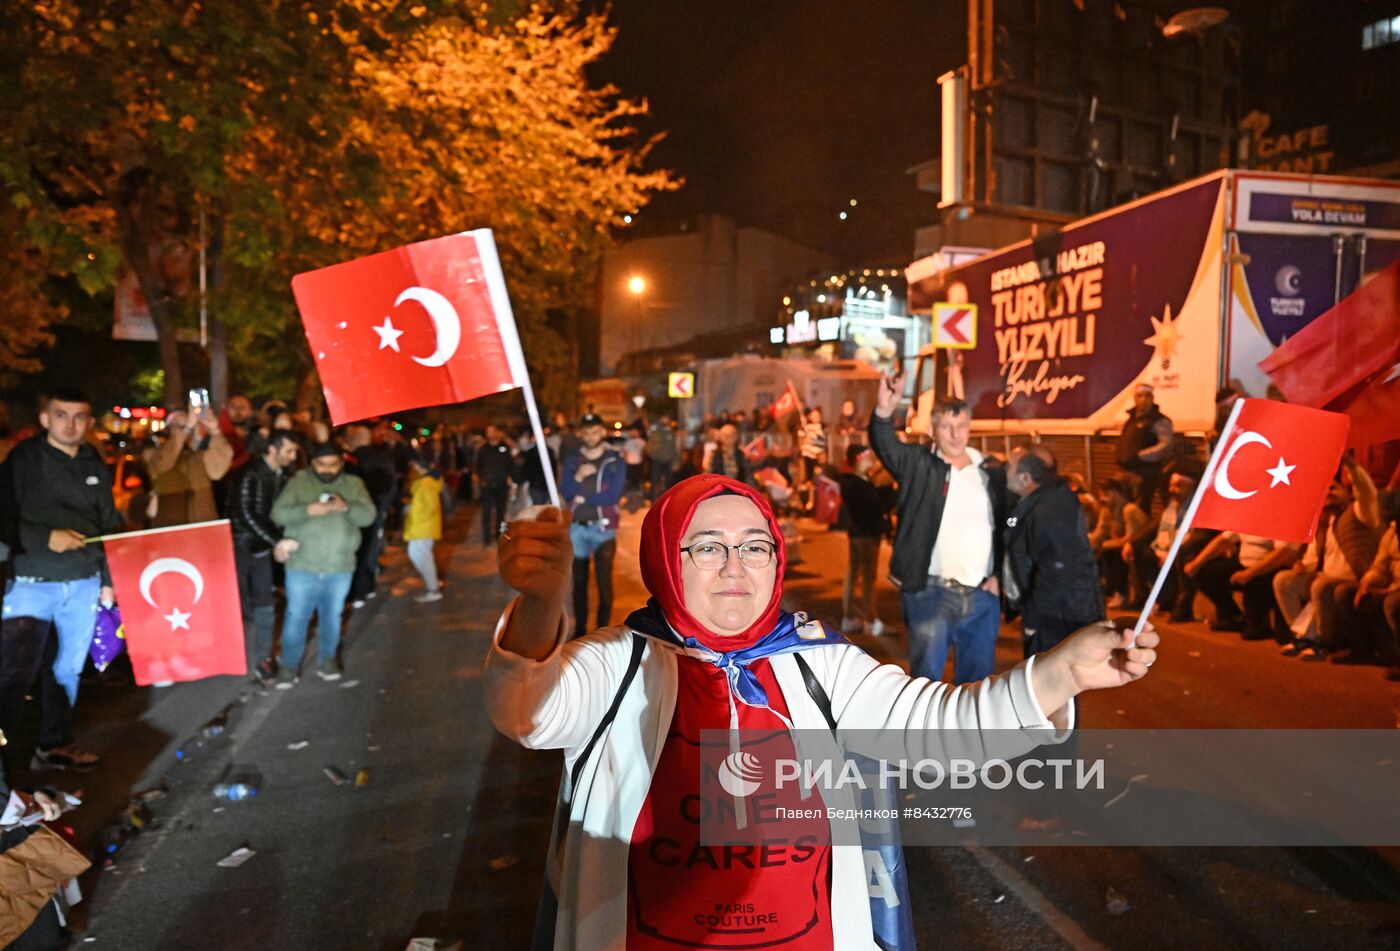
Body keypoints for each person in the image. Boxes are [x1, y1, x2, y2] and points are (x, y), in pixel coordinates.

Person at [486, 474, 1159, 948]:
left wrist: (1061, 672)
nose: (735, 567)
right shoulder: (618, 662)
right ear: (666, 556)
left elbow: (938, 728)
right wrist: (544, 604)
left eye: (755, 545)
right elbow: (527, 709)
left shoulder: (819, 661)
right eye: (707, 546)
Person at [0, 389, 122, 772]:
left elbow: (109, 524)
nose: (71, 424)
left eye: (79, 416)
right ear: (44, 419)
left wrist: (108, 577)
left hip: (83, 583)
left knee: (66, 670)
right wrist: (45, 538)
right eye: (61, 415)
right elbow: (3, 518)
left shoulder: (94, 463)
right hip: (31, 584)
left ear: (89, 422)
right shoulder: (22, 461)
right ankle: (6, 765)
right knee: (15, 673)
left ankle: (55, 744)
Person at [869, 374, 1007, 684]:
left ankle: (967, 735)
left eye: (961, 426)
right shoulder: (919, 465)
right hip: (931, 593)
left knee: (977, 687)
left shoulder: (991, 471)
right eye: (946, 427)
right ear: (933, 430)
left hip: (982, 596)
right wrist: (883, 411)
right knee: (926, 684)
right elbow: (886, 445)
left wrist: (1002, 575)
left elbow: (1007, 528)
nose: (956, 435)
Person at [270, 442, 375, 685]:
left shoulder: (353, 484)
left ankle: (328, 659)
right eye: (321, 464)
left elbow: (368, 516)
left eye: (333, 464)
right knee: (297, 617)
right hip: (302, 565)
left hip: (339, 566)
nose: (327, 470)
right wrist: (308, 510)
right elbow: (278, 514)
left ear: (342, 463)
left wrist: (346, 507)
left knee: (332, 616)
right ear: (312, 463)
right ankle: (288, 666)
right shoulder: (299, 481)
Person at [1273, 457, 1382, 659]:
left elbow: (1367, 493)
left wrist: (1351, 466)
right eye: (1325, 493)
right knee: (1284, 580)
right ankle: (1303, 636)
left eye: (1333, 489)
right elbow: (1313, 558)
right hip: (1323, 576)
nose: (1328, 495)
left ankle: (1323, 642)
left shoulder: (1360, 512)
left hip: (1352, 578)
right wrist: (1301, 565)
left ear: (1346, 492)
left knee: (1320, 586)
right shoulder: (1324, 522)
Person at [1003, 446, 1105, 657]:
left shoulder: (1049, 510)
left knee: (1048, 682)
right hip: (1057, 615)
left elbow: (1056, 571)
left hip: (1056, 619)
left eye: (1009, 467)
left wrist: (1034, 618)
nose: (1004, 472)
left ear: (1025, 478)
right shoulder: (1045, 500)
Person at [227, 430, 300, 683]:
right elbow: (245, 515)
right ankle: (236, 658)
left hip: (261, 549)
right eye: (289, 450)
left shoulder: (282, 476)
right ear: (272, 449)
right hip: (240, 547)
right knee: (240, 606)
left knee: (265, 606)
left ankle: (263, 659)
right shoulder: (249, 474)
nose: (293, 456)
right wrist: (277, 541)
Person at [561, 413, 625, 639]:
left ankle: (601, 634)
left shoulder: (615, 460)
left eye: (595, 431)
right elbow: (566, 491)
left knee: (604, 583)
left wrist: (582, 500)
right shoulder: (572, 461)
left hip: (603, 529)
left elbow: (613, 495)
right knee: (579, 584)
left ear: (603, 432)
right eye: (586, 432)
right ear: (581, 434)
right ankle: (580, 632)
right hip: (577, 529)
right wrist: (578, 476)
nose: (591, 436)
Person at [1185, 532, 1298, 640]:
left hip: (1267, 568)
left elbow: (1283, 553)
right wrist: (1196, 563)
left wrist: (1249, 573)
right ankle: (1234, 617)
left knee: (1257, 633)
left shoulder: (1279, 520)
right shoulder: (1247, 517)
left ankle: (1262, 623)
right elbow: (1223, 540)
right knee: (1203, 573)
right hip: (1244, 565)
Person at [837, 445, 894, 636]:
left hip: (858, 532)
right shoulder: (855, 483)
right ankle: (870, 620)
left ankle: (849, 617)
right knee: (868, 578)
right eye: (868, 458)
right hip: (866, 533)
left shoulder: (855, 481)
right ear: (859, 460)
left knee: (854, 574)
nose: (872, 462)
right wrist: (887, 489)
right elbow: (876, 505)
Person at [147, 405, 233, 528]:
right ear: (169, 429)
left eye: (191, 425)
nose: (188, 429)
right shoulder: (156, 454)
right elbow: (162, 464)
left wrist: (215, 431)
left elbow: (218, 471)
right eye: (180, 426)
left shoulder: (200, 454)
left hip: (203, 527)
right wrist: (186, 429)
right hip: (170, 529)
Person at [344, 423, 399, 608]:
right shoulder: (383, 456)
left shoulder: (353, 461)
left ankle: (357, 589)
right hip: (377, 509)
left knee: (358, 549)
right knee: (371, 548)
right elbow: (392, 484)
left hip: (357, 511)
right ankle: (366, 585)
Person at [1115, 383, 1174, 511]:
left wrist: (1142, 456)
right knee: (1121, 508)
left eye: (1147, 396)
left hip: (1144, 473)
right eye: (1139, 396)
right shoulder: (1131, 420)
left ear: (1152, 398)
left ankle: (1140, 531)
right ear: (1134, 398)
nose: (1143, 399)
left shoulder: (1159, 420)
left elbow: (1166, 445)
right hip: (1125, 472)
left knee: (1139, 509)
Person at [1091, 477, 1146, 609]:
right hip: (1120, 545)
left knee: (1113, 552)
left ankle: (1120, 592)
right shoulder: (1107, 510)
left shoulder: (1129, 510)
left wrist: (1104, 544)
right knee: (1097, 552)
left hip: (1138, 547)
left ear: (1115, 493)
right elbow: (1100, 532)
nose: (1102, 498)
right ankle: (1101, 590)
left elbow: (1130, 538)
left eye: (1105, 494)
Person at [403, 453, 444, 603]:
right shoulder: (429, 482)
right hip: (424, 525)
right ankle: (432, 581)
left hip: (421, 526)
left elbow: (429, 507)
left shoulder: (425, 484)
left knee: (420, 555)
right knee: (421, 555)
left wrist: (413, 511)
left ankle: (432, 588)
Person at [474, 425, 515, 545]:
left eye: (493, 431)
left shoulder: (504, 447)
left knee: (501, 513)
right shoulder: (483, 449)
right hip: (487, 486)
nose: (490, 434)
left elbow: (510, 465)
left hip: (502, 485)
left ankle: (499, 535)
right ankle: (486, 537)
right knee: (486, 512)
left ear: (497, 432)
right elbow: (478, 466)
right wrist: (482, 479)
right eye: (488, 432)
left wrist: (512, 479)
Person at [646, 416, 679, 502]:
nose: (665, 421)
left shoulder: (671, 433)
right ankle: (652, 499)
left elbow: (674, 448)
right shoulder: (656, 433)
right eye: (663, 420)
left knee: (668, 481)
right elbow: (649, 445)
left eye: (666, 420)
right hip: (657, 460)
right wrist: (653, 455)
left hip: (668, 460)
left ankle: (666, 499)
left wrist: (675, 460)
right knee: (654, 480)